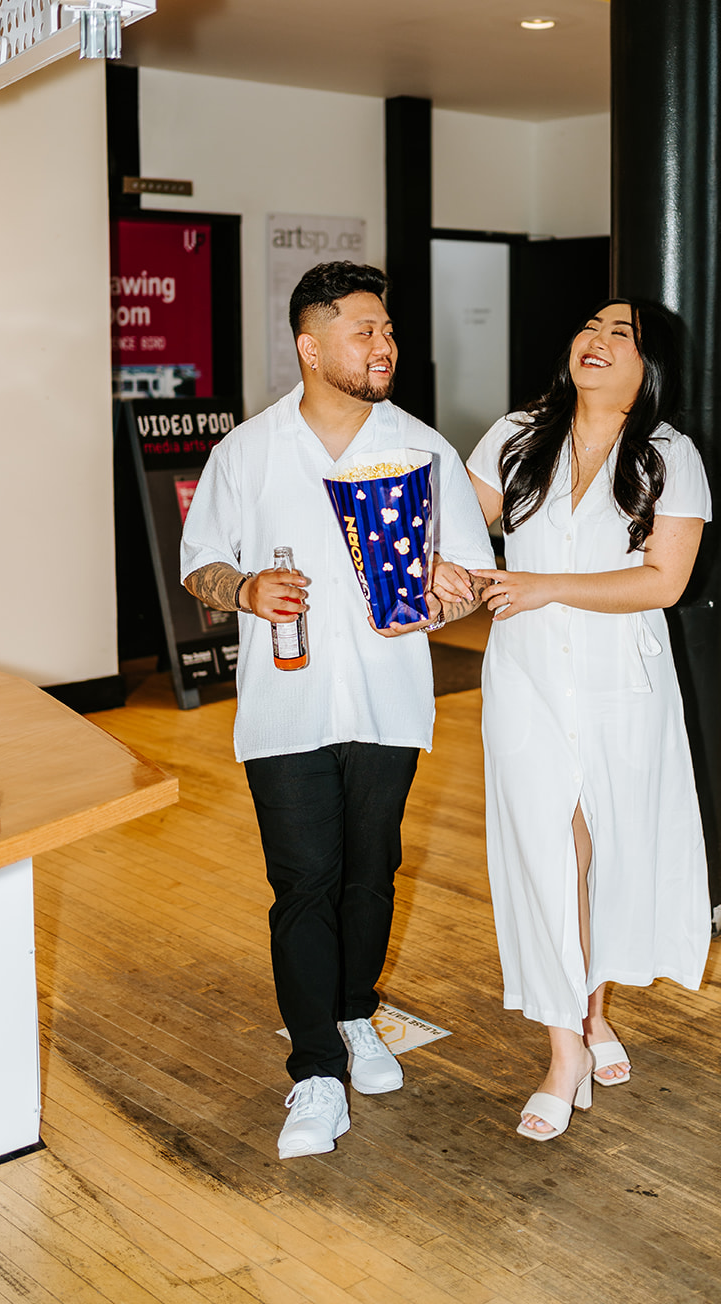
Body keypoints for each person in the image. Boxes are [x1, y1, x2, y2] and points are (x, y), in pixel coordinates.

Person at [180, 261, 494, 1159]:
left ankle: (357, 1015)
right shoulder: (246, 451)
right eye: (364, 331)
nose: (384, 345)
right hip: (285, 704)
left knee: (371, 873)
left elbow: (468, 577)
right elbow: (198, 563)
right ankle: (315, 1070)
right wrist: (243, 587)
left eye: (387, 331)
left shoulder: (424, 448)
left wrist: (451, 591)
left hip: (390, 700)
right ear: (310, 346)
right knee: (304, 883)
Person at [439, 298, 712, 1142]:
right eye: (590, 327)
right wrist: (444, 566)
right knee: (542, 851)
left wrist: (548, 585)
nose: (596, 342)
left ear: (649, 365)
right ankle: (564, 1050)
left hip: (619, 679)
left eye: (620, 335)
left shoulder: (670, 455)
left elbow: (662, 582)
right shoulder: (517, 434)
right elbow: (455, 521)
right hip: (522, 678)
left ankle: (592, 1014)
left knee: (599, 852)